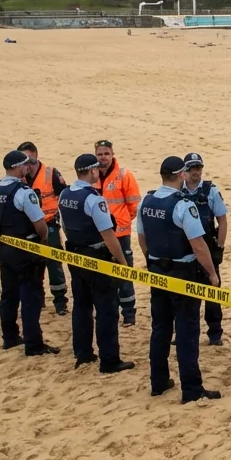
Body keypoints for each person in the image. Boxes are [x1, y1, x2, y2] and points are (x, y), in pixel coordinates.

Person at [137, 156, 221, 403]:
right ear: (182, 174)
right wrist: (212, 273)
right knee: (186, 331)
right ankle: (191, 388)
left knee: (160, 328)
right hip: (182, 273)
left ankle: (158, 381)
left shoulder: (146, 201)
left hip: (157, 270)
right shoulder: (183, 205)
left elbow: (142, 238)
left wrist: (152, 259)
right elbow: (199, 246)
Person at [58, 154, 134, 374]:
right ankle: (109, 360)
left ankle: (83, 352)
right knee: (106, 309)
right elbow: (109, 236)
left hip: (75, 255)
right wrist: (122, 262)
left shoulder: (65, 194)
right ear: (92, 171)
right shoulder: (94, 199)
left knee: (81, 306)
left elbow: (65, 225)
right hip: (96, 257)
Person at [0, 150, 58, 356]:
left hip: (4, 247)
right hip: (26, 250)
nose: (28, 167)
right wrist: (43, 239)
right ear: (17, 167)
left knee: (8, 295)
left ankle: (9, 337)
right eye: (25, 164)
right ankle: (33, 344)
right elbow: (40, 223)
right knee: (30, 297)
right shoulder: (24, 192)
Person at [181, 152, 228, 346]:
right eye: (192, 168)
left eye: (198, 168)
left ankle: (215, 333)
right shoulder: (177, 190)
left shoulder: (211, 191)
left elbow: (222, 220)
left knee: (212, 291)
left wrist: (220, 246)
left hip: (207, 247)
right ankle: (182, 330)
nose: (196, 172)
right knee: (183, 293)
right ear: (185, 170)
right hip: (184, 249)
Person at [19, 141, 69, 316]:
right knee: (33, 266)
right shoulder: (19, 176)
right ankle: (38, 300)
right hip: (28, 228)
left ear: (36, 155)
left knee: (54, 264)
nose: (27, 162)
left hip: (49, 224)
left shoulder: (51, 173)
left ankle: (60, 302)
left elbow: (65, 195)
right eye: (23, 159)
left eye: (29, 158)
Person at [95, 140, 141, 326]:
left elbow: (134, 206)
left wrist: (122, 223)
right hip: (98, 235)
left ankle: (129, 314)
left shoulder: (124, 175)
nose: (103, 157)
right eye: (100, 154)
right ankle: (109, 311)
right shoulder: (91, 175)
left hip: (120, 234)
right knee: (103, 275)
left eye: (106, 153)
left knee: (124, 274)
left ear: (112, 154)